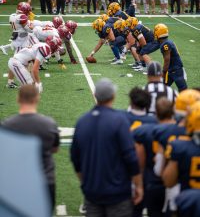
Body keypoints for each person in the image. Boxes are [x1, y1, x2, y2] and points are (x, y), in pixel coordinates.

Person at [71, 78, 143, 217]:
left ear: (95, 95)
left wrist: (85, 183)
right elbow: (130, 157)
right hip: (118, 192)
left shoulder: (82, 121)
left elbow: (76, 160)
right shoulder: (120, 120)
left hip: (92, 193)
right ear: (113, 96)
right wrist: (138, 185)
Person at [3, 84, 60, 212]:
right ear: (37, 98)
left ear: (18, 99)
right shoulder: (49, 124)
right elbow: (55, 149)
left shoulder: (7, 125)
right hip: (45, 182)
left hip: (18, 182)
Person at [154, 23, 187, 91]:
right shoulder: (167, 42)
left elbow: (167, 60)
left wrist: (164, 72)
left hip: (176, 70)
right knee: (161, 88)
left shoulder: (165, 44)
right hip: (172, 69)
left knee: (183, 90)